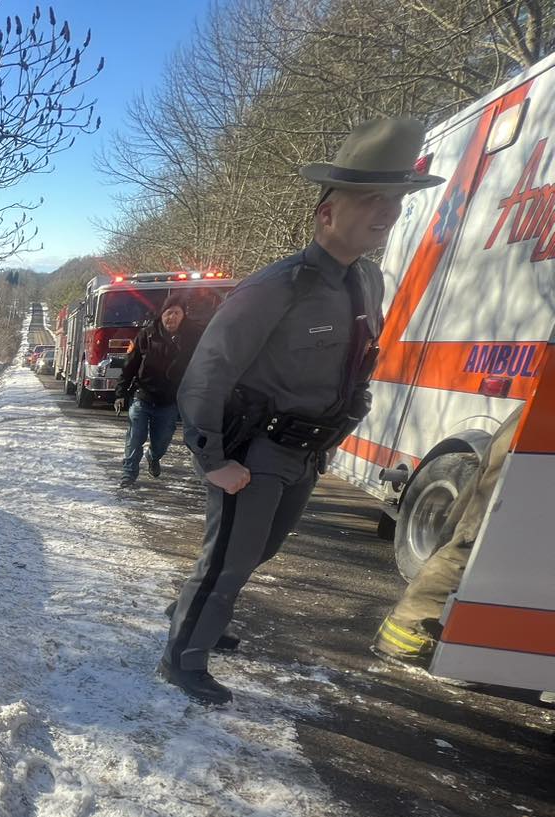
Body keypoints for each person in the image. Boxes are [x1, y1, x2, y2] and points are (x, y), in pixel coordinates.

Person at [161, 117, 447, 705]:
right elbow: (207, 373)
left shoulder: (367, 282)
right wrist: (212, 459)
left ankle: (191, 615)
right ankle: (182, 658)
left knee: (254, 553)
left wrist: (350, 411)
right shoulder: (277, 286)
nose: (385, 213)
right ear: (325, 213)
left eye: (393, 201)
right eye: (370, 200)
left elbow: (358, 359)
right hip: (255, 449)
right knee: (231, 559)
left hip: (307, 451)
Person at [373, 406, 522, 664]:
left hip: (527, 435)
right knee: (477, 542)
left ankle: (409, 634)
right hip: (533, 443)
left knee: (468, 535)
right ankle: (413, 636)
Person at [115, 297, 199, 489]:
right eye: (168, 313)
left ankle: (153, 457)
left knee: (161, 442)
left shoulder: (191, 339)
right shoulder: (146, 335)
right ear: (161, 315)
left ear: (183, 316)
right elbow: (130, 365)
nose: (172, 317)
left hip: (169, 401)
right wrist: (120, 392)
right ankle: (128, 475)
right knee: (135, 437)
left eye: (177, 313)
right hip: (143, 396)